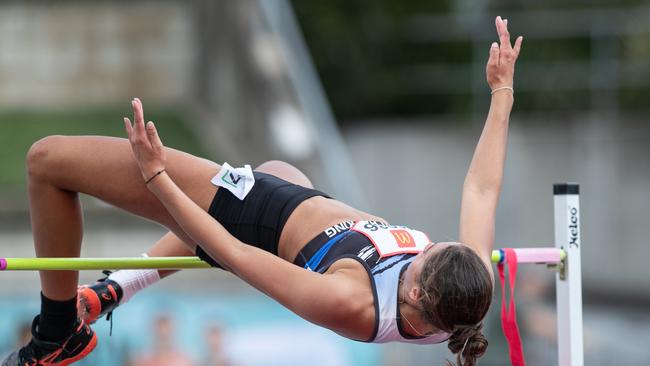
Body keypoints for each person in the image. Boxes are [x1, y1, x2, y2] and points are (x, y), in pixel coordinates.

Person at [3, 16, 522, 366]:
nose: (427, 246)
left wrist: (156, 175)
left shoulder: (351, 303)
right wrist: (501, 93)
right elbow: (480, 190)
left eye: (422, 257)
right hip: (298, 201)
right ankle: (113, 290)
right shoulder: (468, 289)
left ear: (412, 293)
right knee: (281, 167)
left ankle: (56, 334)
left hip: (255, 216)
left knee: (48, 162)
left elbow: (232, 251)